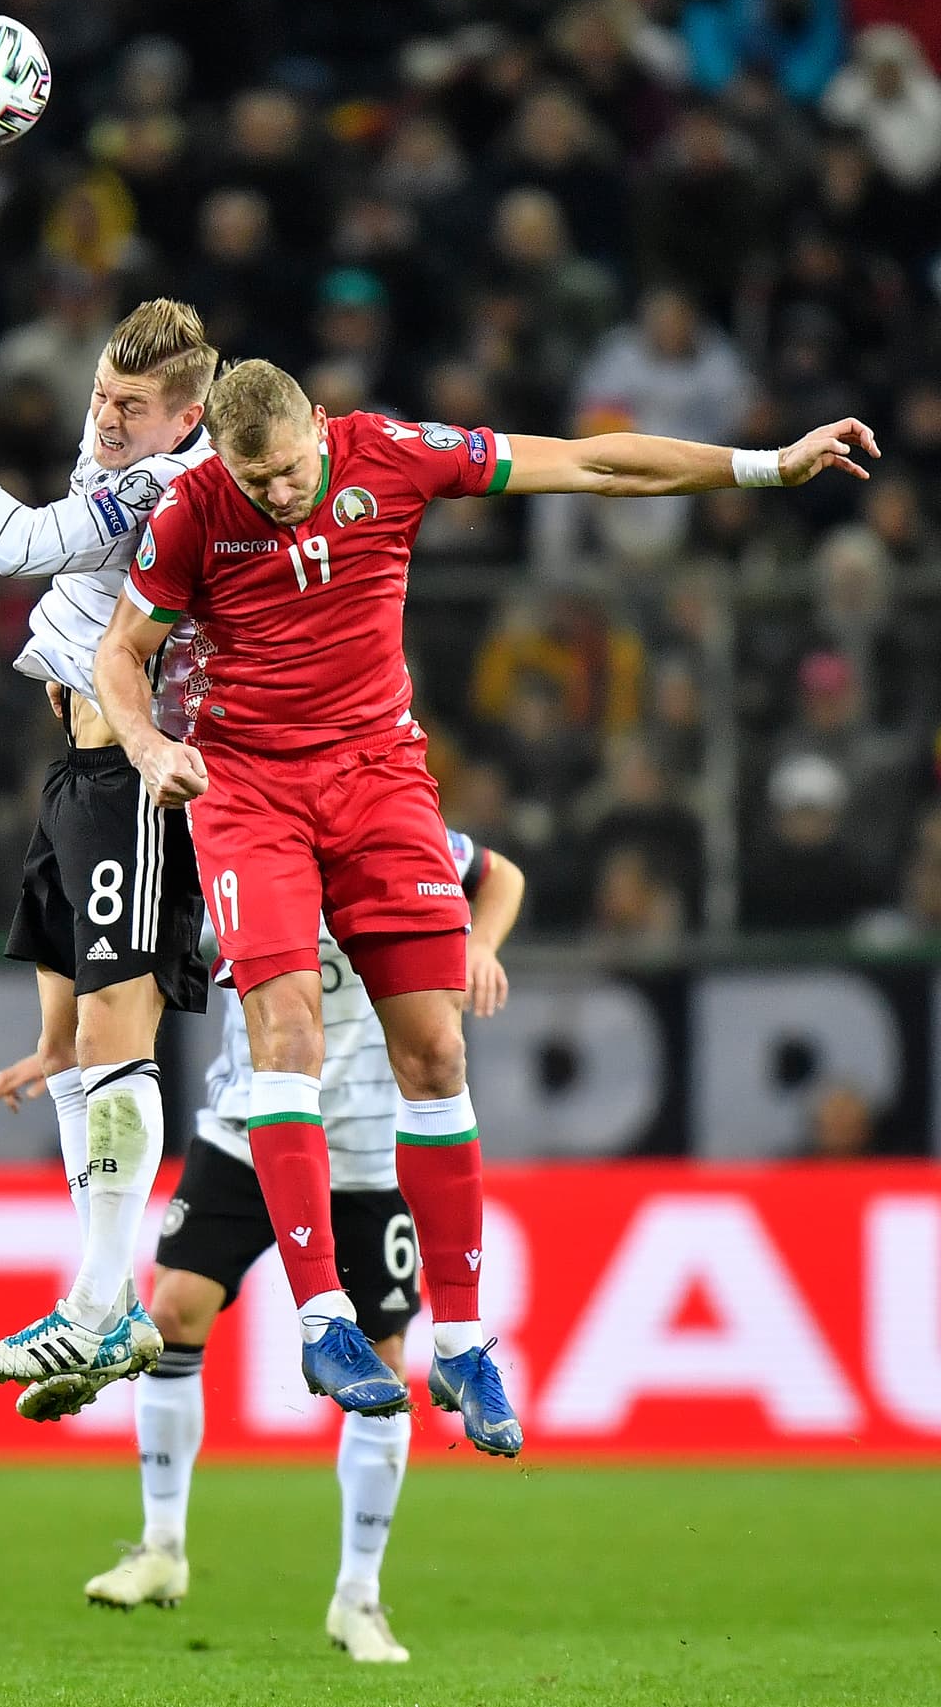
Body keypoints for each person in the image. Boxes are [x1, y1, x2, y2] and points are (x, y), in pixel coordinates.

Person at [94, 356, 878, 1457]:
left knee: (435, 1057)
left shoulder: (393, 455)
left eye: (284, 471)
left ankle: (460, 1343)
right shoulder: (191, 511)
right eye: (250, 476)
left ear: (318, 429)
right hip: (249, 789)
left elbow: (593, 465)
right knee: (287, 1037)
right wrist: (145, 743)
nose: (273, 495)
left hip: (377, 777)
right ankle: (322, 1321)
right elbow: (119, 653)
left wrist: (762, 466)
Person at [0, 830, 525, 1661]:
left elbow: (502, 876)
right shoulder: (238, 845)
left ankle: (359, 1596)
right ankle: (161, 1547)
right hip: (246, 1130)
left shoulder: (394, 836)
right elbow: (149, 964)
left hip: (369, 1151)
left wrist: (480, 946)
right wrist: (62, 1048)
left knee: (380, 1366)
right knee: (171, 1308)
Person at [0, 300, 219, 1392]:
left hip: (131, 773)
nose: (104, 422)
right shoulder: (125, 446)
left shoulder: (166, 489)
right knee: (69, 1051)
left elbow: (17, 544)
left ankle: (99, 1308)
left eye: (129, 408)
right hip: (74, 766)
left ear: (187, 417)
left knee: (118, 1039)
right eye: (98, 397)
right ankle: (101, 1301)